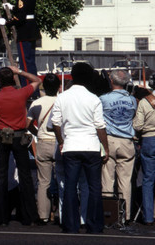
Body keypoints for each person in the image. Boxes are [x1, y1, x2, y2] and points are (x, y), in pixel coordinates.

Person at [51, 62, 109, 234]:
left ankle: (70, 225)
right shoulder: (93, 98)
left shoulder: (62, 97)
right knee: (93, 186)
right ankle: (94, 225)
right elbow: (100, 126)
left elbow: (55, 123)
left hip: (70, 145)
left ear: (72, 76)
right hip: (91, 145)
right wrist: (105, 147)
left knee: (70, 186)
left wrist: (61, 140)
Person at [0, 65, 41, 226]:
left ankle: (2, 217)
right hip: (19, 137)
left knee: (1, 176)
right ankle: (30, 216)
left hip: (2, 136)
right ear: (12, 79)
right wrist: (19, 71)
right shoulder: (21, 94)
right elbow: (37, 80)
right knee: (25, 176)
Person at [100, 69, 137, 222]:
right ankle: (125, 215)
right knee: (125, 181)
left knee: (107, 180)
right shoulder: (132, 100)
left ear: (112, 81)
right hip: (127, 141)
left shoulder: (103, 99)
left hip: (109, 139)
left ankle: (109, 215)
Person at [27, 73, 60, 224]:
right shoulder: (63, 101)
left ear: (44, 87)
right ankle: (61, 213)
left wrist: (37, 132)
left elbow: (27, 124)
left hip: (43, 142)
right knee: (62, 180)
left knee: (43, 181)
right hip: (59, 143)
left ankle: (43, 215)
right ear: (59, 87)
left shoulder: (36, 103)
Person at [0, 0, 41, 88]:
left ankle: (28, 88)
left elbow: (21, 16)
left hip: (25, 31)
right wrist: (13, 7)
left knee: (25, 64)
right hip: (31, 30)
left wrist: (6, 22)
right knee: (30, 62)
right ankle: (35, 88)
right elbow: (25, 9)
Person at [133, 89, 155, 225]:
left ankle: (148, 217)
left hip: (149, 140)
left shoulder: (145, 102)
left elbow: (138, 125)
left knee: (148, 179)